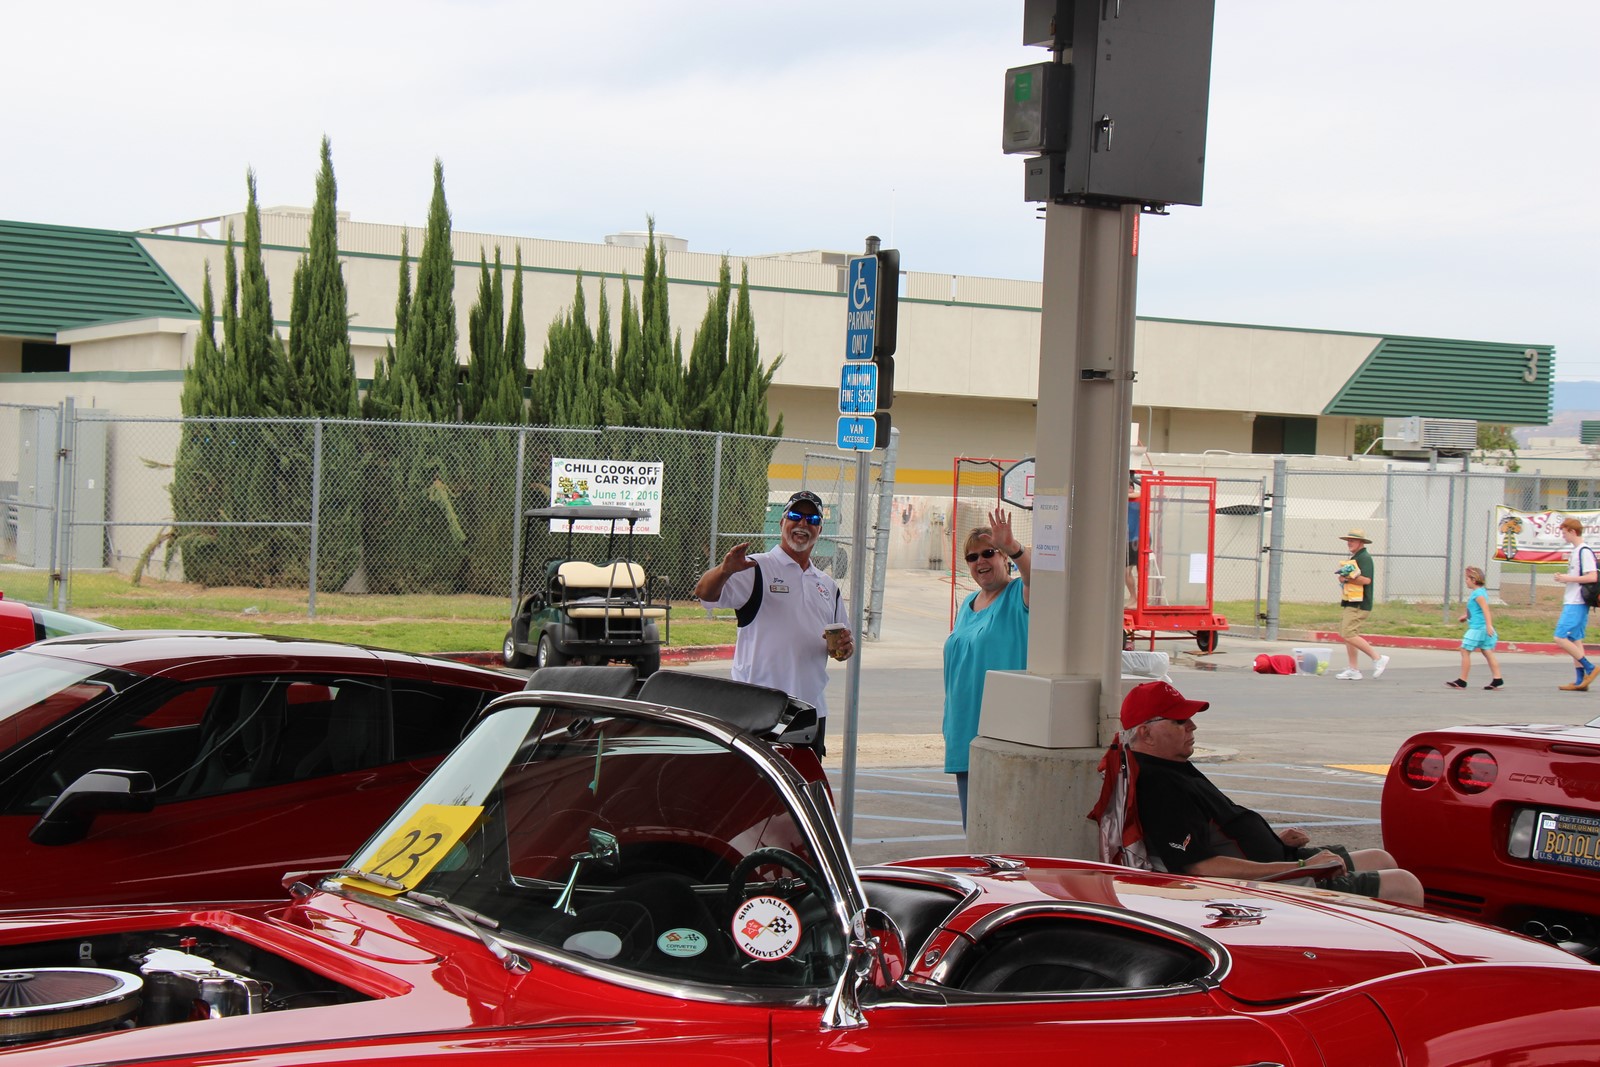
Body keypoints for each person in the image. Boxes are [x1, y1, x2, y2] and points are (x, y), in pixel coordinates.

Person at [1120, 679, 1423, 905]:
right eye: (1180, 721)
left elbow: (1215, 836)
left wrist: (1273, 840)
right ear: (1146, 733)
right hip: (1267, 884)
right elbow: (1201, 867)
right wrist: (1302, 867)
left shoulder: (1170, 767)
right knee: (1405, 885)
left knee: (1380, 858)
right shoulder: (1158, 785)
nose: (1192, 726)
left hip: (1275, 862)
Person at [694, 490, 852, 755]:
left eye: (812, 519)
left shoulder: (827, 586)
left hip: (809, 710)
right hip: (758, 708)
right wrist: (724, 570)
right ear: (782, 523)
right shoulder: (754, 568)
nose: (803, 524)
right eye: (795, 516)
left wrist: (845, 648)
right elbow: (704, 594)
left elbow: (843, 646)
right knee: (756, 780)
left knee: (803, 779)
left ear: (819, 530)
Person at [941, 507, 1030, 827]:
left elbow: (1043, 577)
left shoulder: (1019, 594)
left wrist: (1014, 546)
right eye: (972, 557)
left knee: (1003, 831)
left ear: (1003, 557)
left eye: (989, 553)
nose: (980, 561)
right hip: (963, 730)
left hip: (1001, 733)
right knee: (976, 831)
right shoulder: (968, 604)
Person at [1333, 529, 1389, 681]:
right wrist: (1344, 577)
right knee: (1348, 634)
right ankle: (1353, 669)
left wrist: (1347, 578)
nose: (1349, 543)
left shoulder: (1364, 558)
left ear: (1361, 542)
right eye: (1348, 540)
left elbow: (1366, 580)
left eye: (1352, 540)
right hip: (1351, 600)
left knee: (1348, 633)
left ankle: (1377, 658)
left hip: (1359, 603)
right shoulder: (1356, 557)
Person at [1551, 515, 1598, 692]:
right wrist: (1565, 578)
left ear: (1572, 531)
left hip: (1576, 601)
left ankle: (1590, 668)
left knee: (1560, 637)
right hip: (1573, 600)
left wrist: (1567, 578)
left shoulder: (1584, 551)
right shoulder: (1577, 551)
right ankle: (1580, 681)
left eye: (1564, 533)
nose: (1563, 536)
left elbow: (1592, 576)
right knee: (1575, 639)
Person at [1446, 565, 1503, 690]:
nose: (1466, 581)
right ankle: (1497, 678)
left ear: (1474, 580)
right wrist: (1466, 616)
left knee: (1464, 650)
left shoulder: (1478, 594)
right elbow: (1477, 610)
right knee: (1487, 651)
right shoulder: (1480, 592)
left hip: (1478, 628)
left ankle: (1462, 680)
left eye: (1467, 579)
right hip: (1481, 627)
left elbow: (1486, 610)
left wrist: (1489, 625)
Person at [1125, 473, 1141, 603]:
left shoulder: (1137, 497)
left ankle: (1140, 599)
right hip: (1127, 540)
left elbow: (1141, 493)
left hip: (1139, 538)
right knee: (1126, 571)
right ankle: (1133, 597)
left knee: (1140, 570)